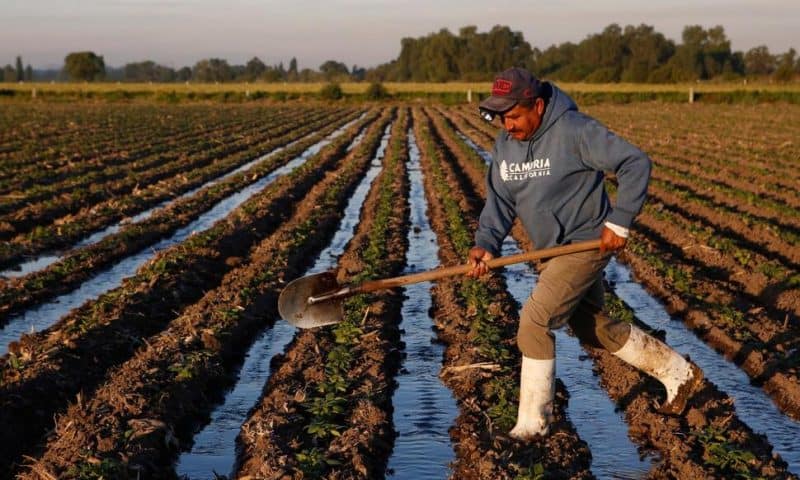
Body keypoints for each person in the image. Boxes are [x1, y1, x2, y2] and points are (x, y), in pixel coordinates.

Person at [467, 67, 703, 440]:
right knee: (591, 327)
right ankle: (678, 372)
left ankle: (533, 427)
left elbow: (635, 162)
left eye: (513, 116)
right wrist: (485, 244)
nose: (507, 125)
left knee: (535, 321)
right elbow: (499, 202)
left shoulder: (574, 130)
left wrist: (620, 221)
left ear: (538, 106)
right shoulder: (505, 146)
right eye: (501, 117)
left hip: (584, 243)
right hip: (551, 251)